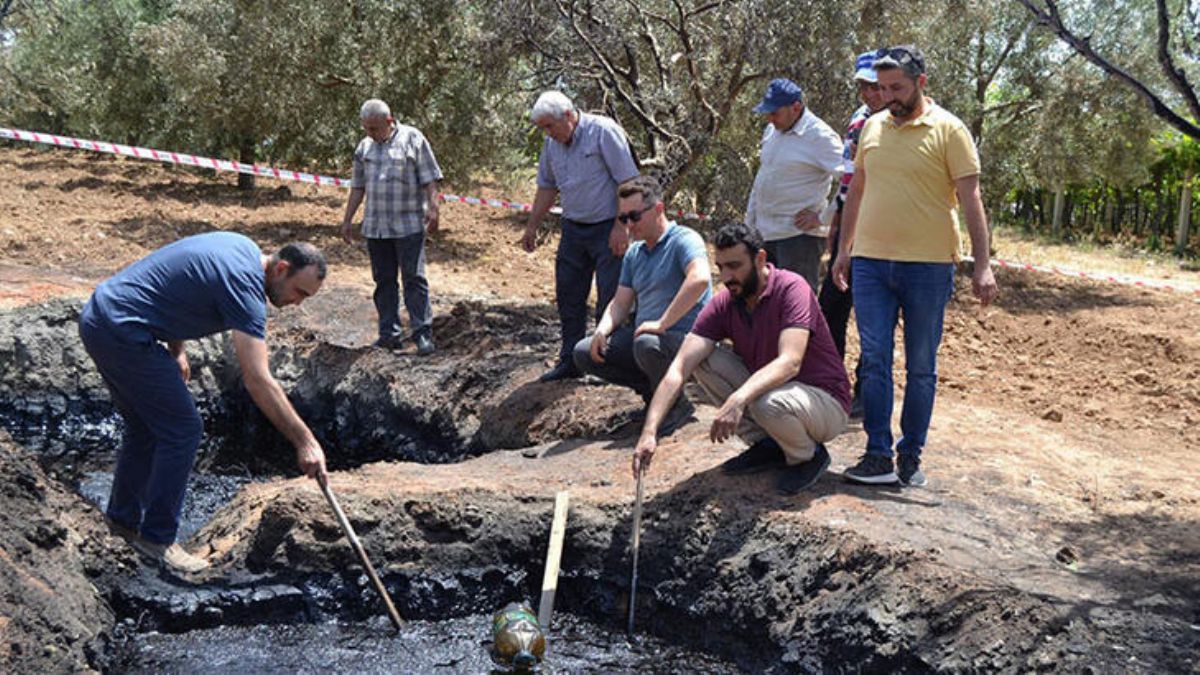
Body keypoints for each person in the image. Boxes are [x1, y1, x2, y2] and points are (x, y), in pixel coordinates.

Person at [78, 232, 330, 573]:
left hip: (100, 317)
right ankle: (157, 540)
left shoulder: (241, 246)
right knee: (183, 429)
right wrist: (305, 442)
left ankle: (122, 523)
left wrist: (176, 349)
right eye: (299, 292)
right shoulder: (246, 291)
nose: (298, 302)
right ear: (281, 268)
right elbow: (257, 378)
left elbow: (178, 290)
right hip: (124, 331)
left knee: (145, 427)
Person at [831, 45, 999, 487]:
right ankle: (877, 455)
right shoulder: (871, 128)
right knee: (874, 359)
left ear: (921, 82)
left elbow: (971, 200)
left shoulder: (950, 130)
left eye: (897, 87)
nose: (888, 96)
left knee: (921, 364)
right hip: (870, 265)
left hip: (927, 267)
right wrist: (844, 250)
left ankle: (911, 455)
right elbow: (857, 191)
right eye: (882, 88)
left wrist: (982, 265)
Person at [632, 223, 851, 496]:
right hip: (775, 396)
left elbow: (790, 361)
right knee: (703, 359)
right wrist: (649, 432)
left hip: (825, 402)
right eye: (720, 266)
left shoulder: (792, 288)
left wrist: (738, 399)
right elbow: (679, 368)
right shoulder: (726, 302)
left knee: (766, 403)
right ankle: (769, 445)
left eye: (734, 266)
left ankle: (807, 456)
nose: (726, 276)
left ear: (760, 259)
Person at [520, 91, 640, 382]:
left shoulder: (603, 132)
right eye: (543, 128)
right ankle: (570, 360)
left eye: (550, 126)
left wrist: (622, 226)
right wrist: (532, 224)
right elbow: (547, 187)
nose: (547, 133)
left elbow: (628, 181)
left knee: (610, 298)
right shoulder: (551, 144)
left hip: (607, 226)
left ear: (570, 116)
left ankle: (605, 363)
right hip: (573, 228)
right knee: (569, 295)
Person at [572, 176, 712, 420]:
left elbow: (699, 279)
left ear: (658, 209)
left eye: (634, 216)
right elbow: (620, 302)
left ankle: (676, 405)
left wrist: (662, 323)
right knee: (584, 352)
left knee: (647, 344)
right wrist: (602, 331)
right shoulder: (635, 252)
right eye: (623, 218)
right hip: (646, 340)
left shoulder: (684, 239)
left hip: (684, 338)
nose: (629, 225)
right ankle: (654, 398)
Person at [341, 98, 443, 356]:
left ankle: (422, 334)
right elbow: (358, 186)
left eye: (374, 128)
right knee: (383, 281)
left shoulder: (413, 139)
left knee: (414, 278)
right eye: (366, 128)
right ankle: (389, 334)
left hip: (408, 225)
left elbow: (430, 179)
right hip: (376, 227)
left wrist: (433, 208)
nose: (370, 133)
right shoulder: (364, 147)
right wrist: (347, 219)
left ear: (389, 121)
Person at [818, 49, 888, 419]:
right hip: (852, 224)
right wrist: (837, 220)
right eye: (863, 87)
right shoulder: (859, 121)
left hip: (883, 229)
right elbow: (848, 181)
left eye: (874, 87)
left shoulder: (899, 121)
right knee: (831, 304)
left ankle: (867, 390)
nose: (868, 94)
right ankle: (831, 382)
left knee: (874, 317)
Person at [745, 78, 845, 290]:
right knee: (764, 303)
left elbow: (850, 179)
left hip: (798, 239)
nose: (770, 119)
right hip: (765, 234)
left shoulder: (820, 136)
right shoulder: (772, 131)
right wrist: (750, 224)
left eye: (775, 113)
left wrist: (823, 218)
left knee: (795, 305)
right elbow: (763, 177)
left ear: (796, 107)